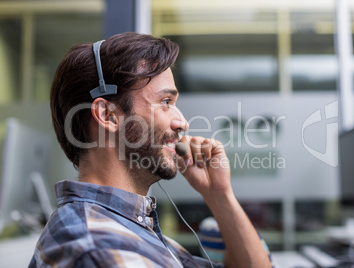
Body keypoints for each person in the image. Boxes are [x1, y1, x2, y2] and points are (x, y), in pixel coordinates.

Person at [29, 32, 272, 268]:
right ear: (108, 115)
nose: (182, 123)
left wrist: (219, 194)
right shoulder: (99, 248)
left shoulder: (129, 230)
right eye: (166, 102)